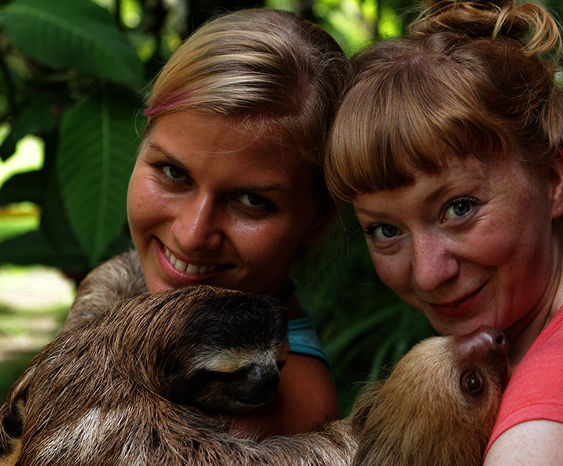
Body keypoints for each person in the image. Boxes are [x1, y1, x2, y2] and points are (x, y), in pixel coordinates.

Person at [323, 0, 563, 463]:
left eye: (459, 207)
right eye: (384, 230)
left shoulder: (546, 430)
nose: (427, 274)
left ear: (553, 179)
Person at [66, 8, 351, 438]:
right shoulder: (127, 289)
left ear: (317, 220)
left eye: (252, 201)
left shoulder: (275, 411)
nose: (192, 234)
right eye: (173, 172)